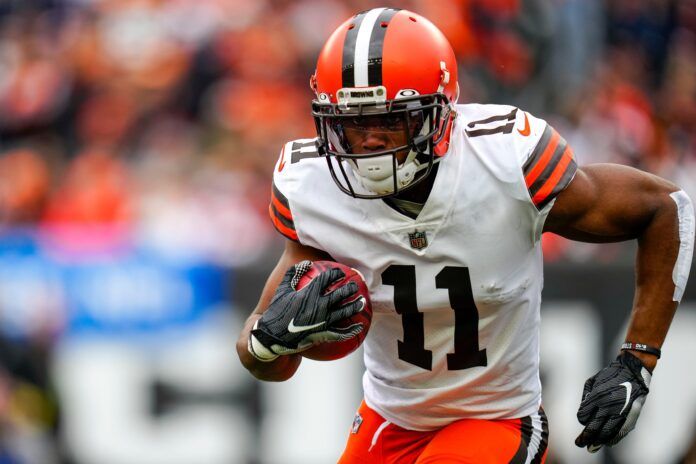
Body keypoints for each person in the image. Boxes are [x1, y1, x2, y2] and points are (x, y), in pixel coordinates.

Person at [236, 7, 695, 463]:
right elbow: (261, 360)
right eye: (353, 124)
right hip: (390, 420)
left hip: (497, 419)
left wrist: (637, 361)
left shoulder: (505, 161)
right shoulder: (312, 187)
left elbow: (664, 208)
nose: (372, 142)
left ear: (439, 113)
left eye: (390, 120)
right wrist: (270, 338)